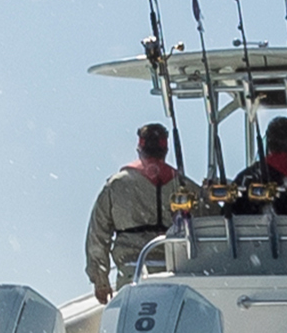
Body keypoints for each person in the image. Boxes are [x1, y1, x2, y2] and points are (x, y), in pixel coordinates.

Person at [85, 123, 200, 304]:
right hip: (176, 274)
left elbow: (97, 234)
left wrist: (100, 279)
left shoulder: (116, 185)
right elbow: (211, 221)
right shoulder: (187, 188)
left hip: (132, 275)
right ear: (166, 149)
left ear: (140, 148)